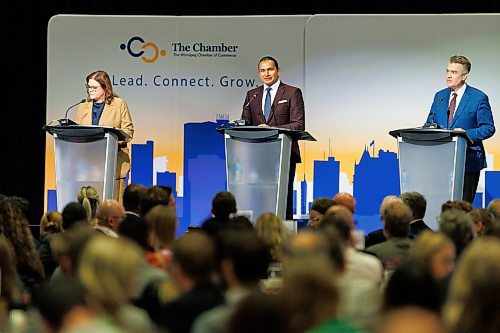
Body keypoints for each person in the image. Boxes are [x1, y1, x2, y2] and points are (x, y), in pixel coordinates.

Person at [241, 56, 305, 220]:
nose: (266, 73)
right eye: (262, 70)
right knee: (258, 197)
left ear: (278, 71)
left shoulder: (292, 92)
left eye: (270, 69)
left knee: (283, 198)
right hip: (258, 156)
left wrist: (272, 129)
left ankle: (285, 235)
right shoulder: (252, 95)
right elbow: (246, 123)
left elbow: (298, 125)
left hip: (284, 154)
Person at [426, 55, 495, 203]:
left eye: (454, 72)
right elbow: (429, 123)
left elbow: (488, 128)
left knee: (462, 207)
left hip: (468, 161)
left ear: (464, 76)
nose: (449, 75)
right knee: (440, 205)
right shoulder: (440, 96)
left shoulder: (478, 97)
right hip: (441, 162)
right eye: (447, 71)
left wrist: (465, 134)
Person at [75, 70, 134, 203]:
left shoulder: (119, 104)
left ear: (105, 87)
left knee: (112, 205)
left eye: (94, 87)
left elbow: (128, 132)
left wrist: (109, 141)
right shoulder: (82, 106)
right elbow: (77, 132)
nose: (90, 90)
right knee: (90, 204)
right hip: (88, 163)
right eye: (88, 87)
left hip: (113, 162)